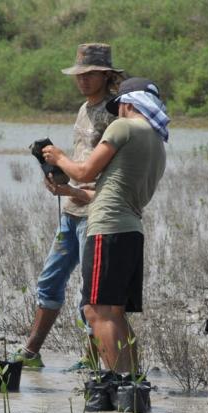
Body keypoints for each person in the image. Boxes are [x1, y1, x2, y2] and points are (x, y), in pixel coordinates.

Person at [42, 77, 168, 373]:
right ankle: (131, 383)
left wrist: (58, 157)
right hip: (130, 230)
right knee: (115, 314)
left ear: (128, 103)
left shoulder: (122, 127)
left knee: (96, 311)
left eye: (120, 106)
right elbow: (110, 191)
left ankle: (115, 380)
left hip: (108, 229)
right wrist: (72, 193)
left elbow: (84, 171)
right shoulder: (156, 142)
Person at [13, 43, 123, 369]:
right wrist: (59, 179)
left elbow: (107, 168)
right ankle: (31, 353)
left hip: (96, 211)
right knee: (49, 281)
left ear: (106, 75)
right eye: (80, 75)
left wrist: (75, 186)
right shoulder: (83, 109)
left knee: (92, 295)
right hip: (72, 209)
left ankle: (93, 360)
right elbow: (79, 159)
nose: (84, 80)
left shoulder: (113, 114)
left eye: (91, 74)